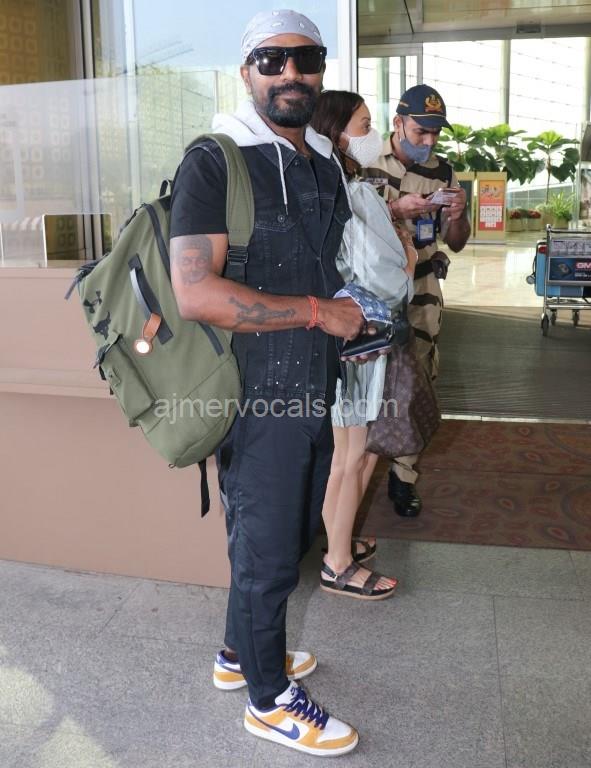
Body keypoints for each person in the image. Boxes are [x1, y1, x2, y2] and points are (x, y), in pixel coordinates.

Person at [169, 10, 364, 758]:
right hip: (254, 390)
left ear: (321, 69)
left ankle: (237, 654)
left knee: (284, 531)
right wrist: (318, 312)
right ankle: (267, 699)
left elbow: (322, 263)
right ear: (246, 71)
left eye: (305, 59)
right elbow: (196, 293)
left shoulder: (322, 160)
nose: (291, 74)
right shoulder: (215, 160)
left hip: (313, 377)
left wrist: (351, 317)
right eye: (271, 60)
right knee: (270, 547)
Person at [311, 90, 416, 600]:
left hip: (335, 335)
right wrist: (410, 260)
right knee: (356, 455)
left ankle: (338, 539)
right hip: (365, 340)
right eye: (363, 124)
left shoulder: (318, 184)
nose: (371, 135)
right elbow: (384, 274)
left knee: (345, 454)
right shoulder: (353, 191)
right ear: (337, 134)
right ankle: (337, 563)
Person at [364, 84, 471, 518]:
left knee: (418, 376)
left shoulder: (442, 172)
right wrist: (395, 211)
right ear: (398, 123)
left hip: (422, 289)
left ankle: (403, 475)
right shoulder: (365, 163)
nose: (428, 141)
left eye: (435, 133)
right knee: (367, 378)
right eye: (420, 131)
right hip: (371, 292)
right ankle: (356, 467)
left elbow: (456, 242)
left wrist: (458, 216)